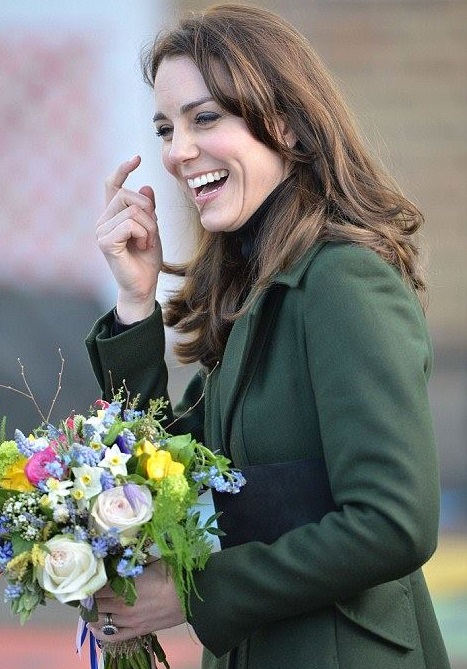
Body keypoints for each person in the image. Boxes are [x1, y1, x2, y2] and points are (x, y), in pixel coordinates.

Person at [85, 4, 451, 668]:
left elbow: (394, 522)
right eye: (166, 128)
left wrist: (196, 593)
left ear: (282, 122)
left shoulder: (341, 281)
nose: (177, 152)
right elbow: (173, 480)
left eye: (204, 118)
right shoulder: (251, 290)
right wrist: (136, 303)